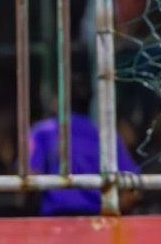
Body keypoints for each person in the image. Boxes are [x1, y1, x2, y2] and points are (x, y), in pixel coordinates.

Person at [29, 74, 141, 216]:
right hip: (97, 220)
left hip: (55, 219)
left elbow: (30, 177)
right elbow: (131, 183)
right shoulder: (106, 135)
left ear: (58, 101)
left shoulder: (43, 131)